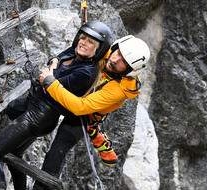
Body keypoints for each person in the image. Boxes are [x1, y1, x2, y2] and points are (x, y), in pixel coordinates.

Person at [0, 20, 113, 190]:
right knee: (14, 155)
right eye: (83, 37)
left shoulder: (86, 73)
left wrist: (50, 75)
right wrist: (53, 66)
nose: (83, 43)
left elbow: (49, 85)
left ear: (99, 50)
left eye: (90, 42)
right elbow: (55, 59)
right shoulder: (74, 52)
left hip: (39, 117)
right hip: (33, 106)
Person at [35, 35, 150, 189]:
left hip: (84, 116)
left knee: (57, 151)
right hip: (74, 91)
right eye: (117, 53)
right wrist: (56, 59)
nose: (115, 59)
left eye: (123, 61)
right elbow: (76, 51)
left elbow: (80, 107)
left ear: (129, 70)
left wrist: (51, 83)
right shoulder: (108, 53)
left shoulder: (119, 90)